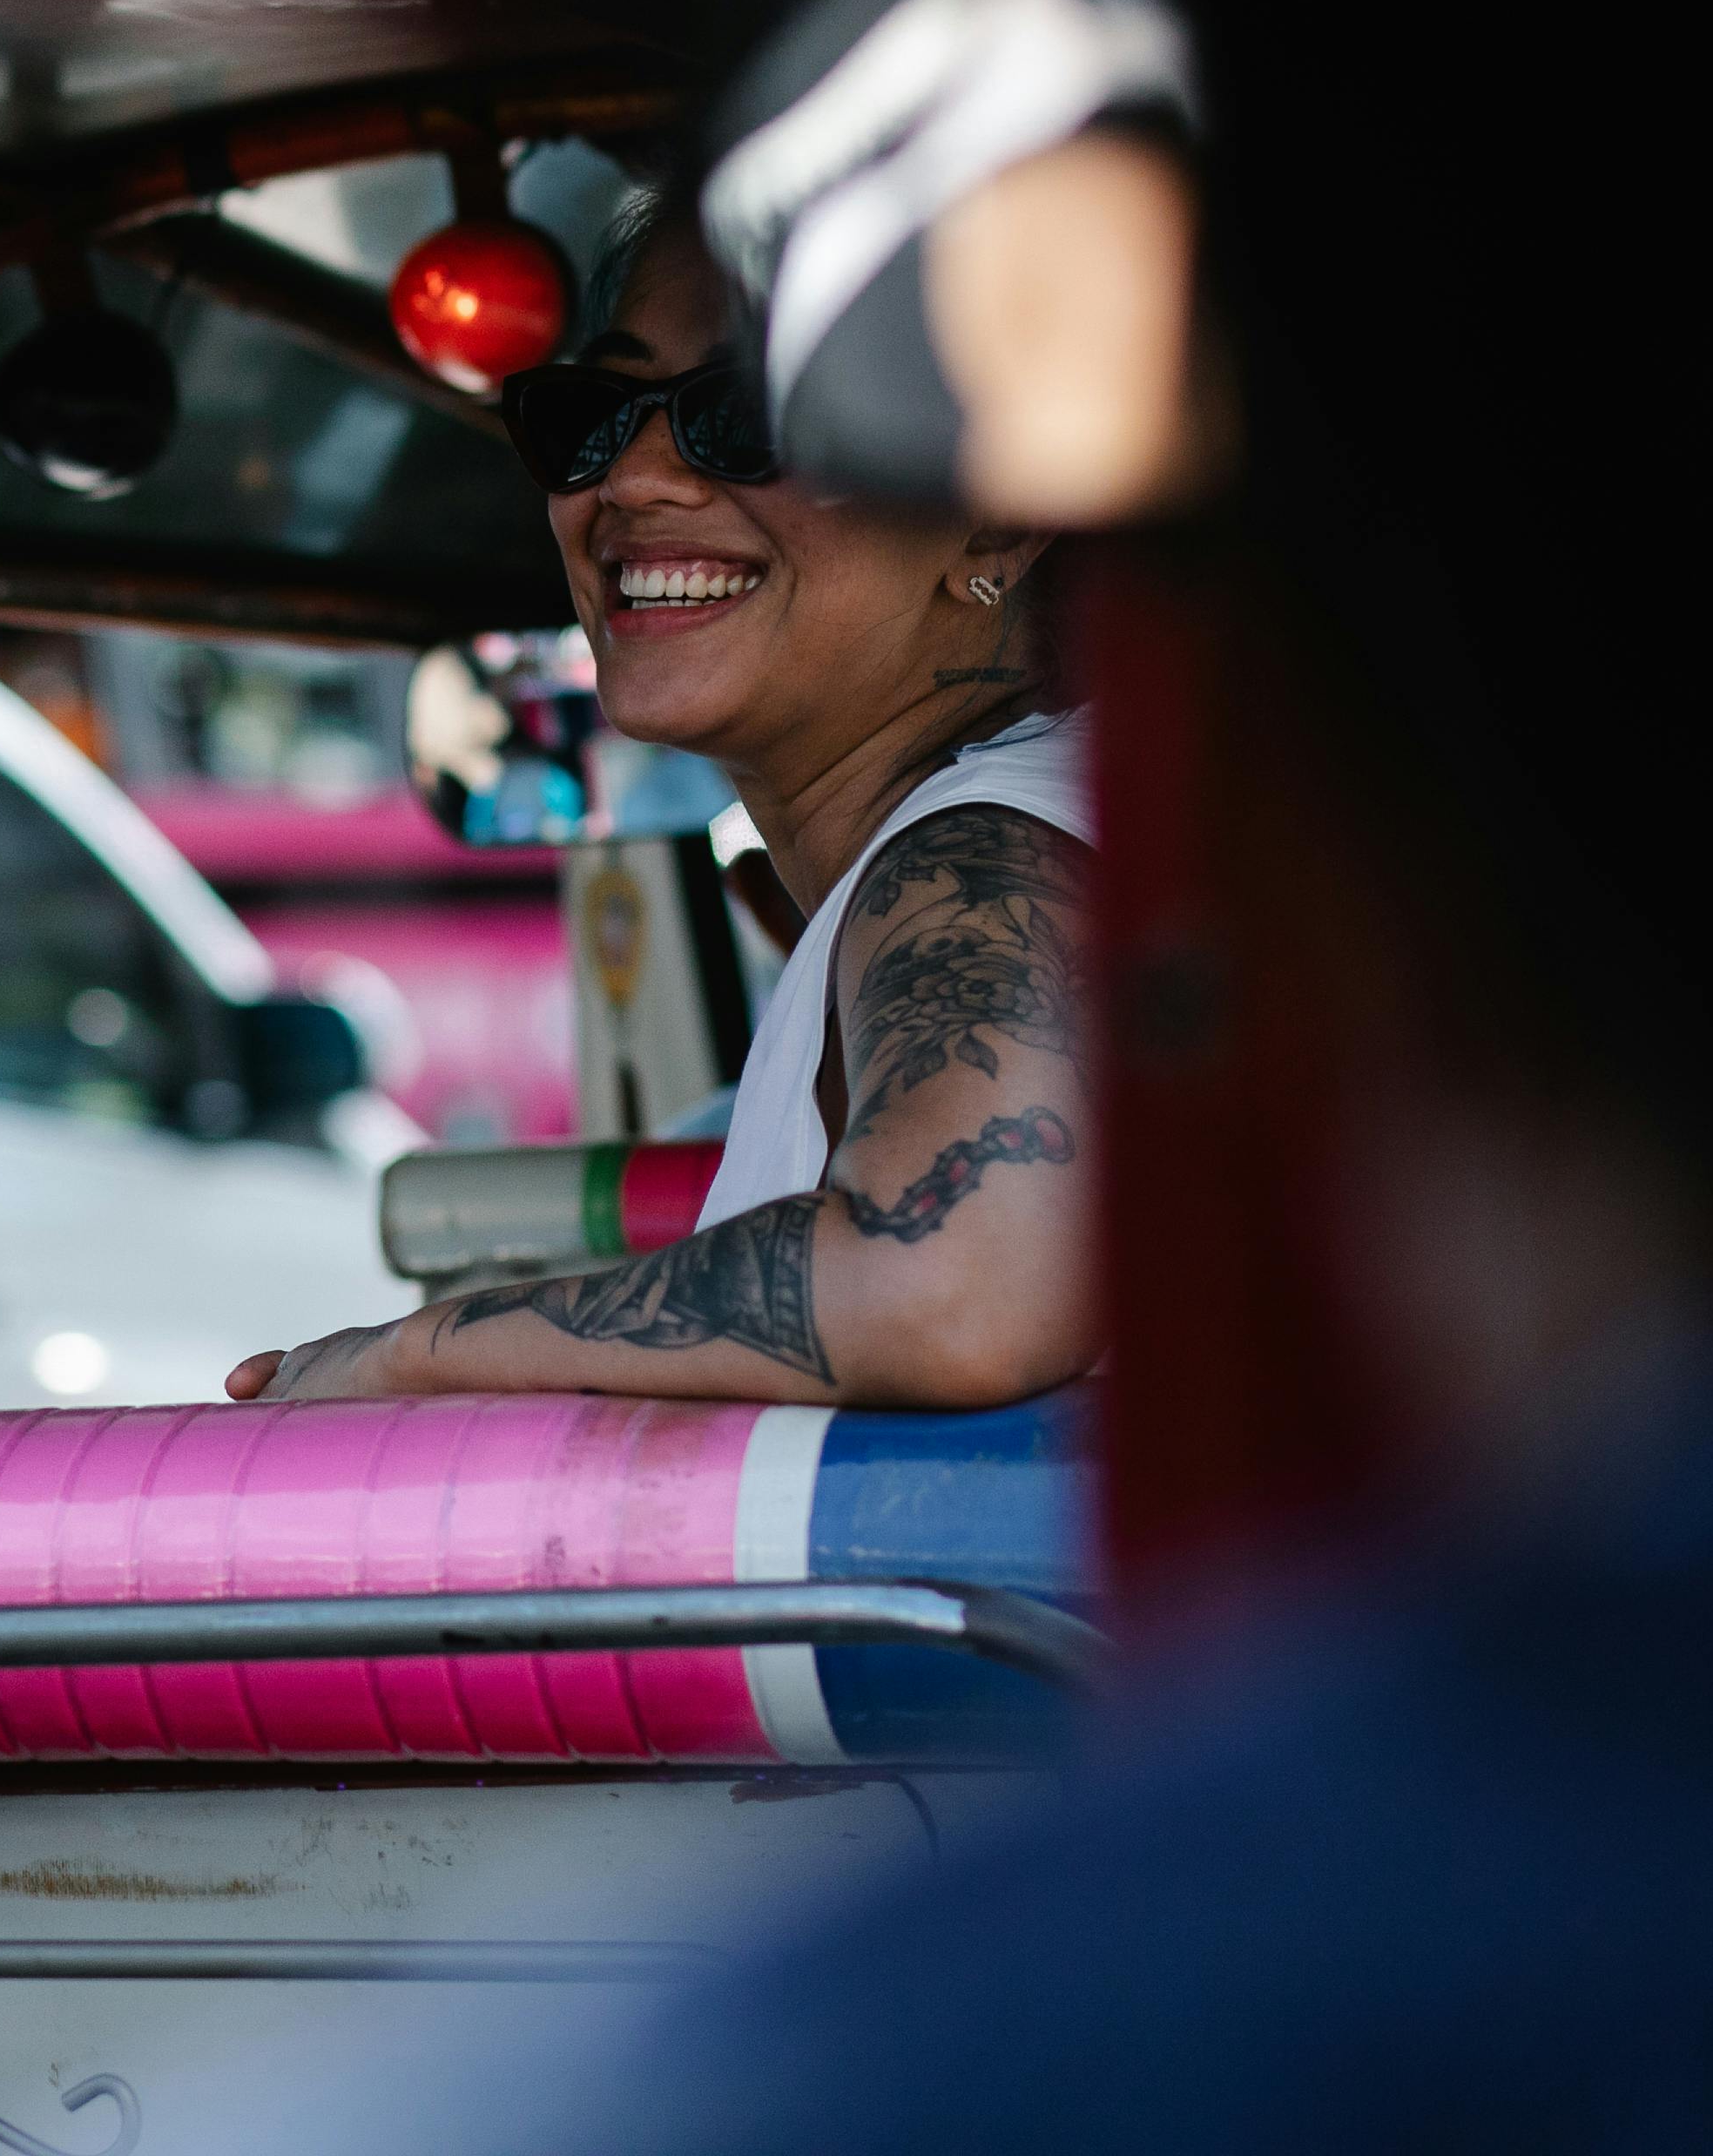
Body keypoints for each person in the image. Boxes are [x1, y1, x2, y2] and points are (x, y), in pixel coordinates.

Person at [226, 195, 1094, 1410]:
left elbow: (954, 1285)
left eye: (752, 415)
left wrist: (415, 1353)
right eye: (590, 417)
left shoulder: (983, 853)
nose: (631, 479)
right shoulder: (1050, 816)